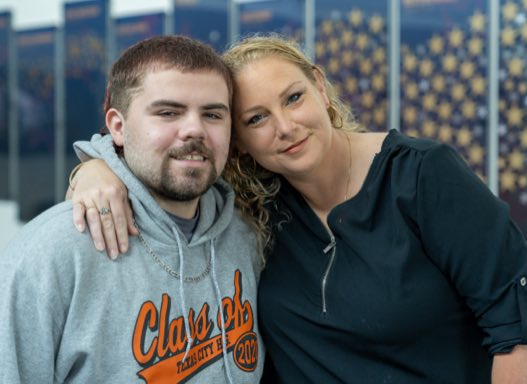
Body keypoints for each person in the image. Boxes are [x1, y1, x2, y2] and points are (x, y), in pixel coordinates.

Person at [69, 34, 527, 383]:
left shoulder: (422, 176)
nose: (285, 128)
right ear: (238, 139)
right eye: (256, 118)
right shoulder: (253, 207)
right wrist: (97, 169)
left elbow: (515, 335)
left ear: (320, 88)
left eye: (293, 98)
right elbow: (163, 165)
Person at [0, 35, 264, 384]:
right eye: (168, 112)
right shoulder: (54, 251)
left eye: (213, 114)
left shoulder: (247, 235)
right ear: (118, 127)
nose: (194, 130)